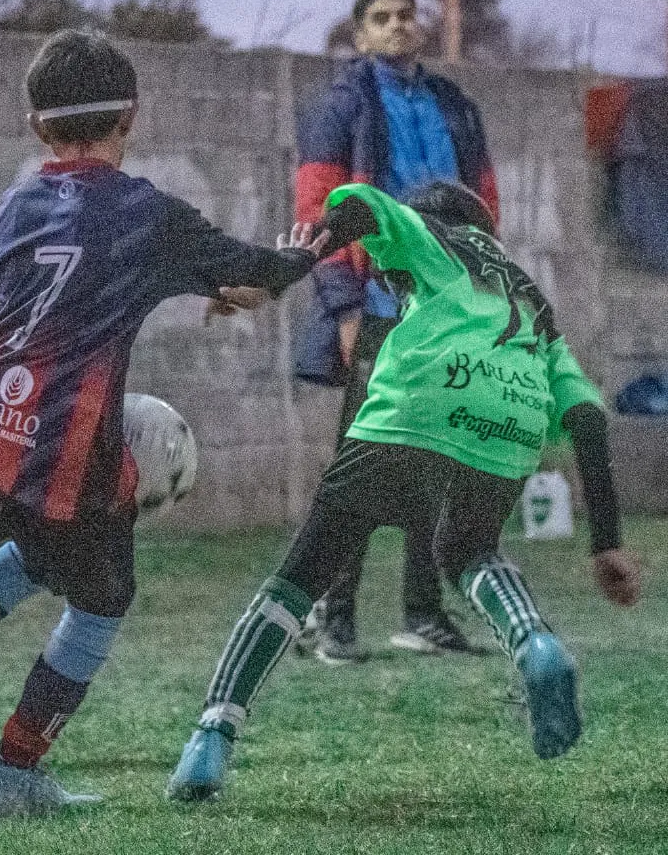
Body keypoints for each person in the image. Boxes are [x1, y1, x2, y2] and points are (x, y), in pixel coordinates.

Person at [0, 28, 327, 819]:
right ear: (128, 118)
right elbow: (253, 270)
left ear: (35, 127)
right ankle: (8, 776)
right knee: (102, 598)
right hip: (69, 448)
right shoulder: (144, 214)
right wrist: (308, 251)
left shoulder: (21, 201)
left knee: (27, 557)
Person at [166, 181, 642, 803]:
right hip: (508, 424)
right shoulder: (530, 299)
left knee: (303, 573)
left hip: (414, 406)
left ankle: (211, 736)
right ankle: (537, 644)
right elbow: (586, 418)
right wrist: (605, 543)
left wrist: (281, 273)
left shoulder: (432, 237)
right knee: (468, 550)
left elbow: (357, 208)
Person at [292, 0, 502, 663]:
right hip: (378, 305)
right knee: (362, 464)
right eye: (381, 19)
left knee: (438, 460)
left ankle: (424, 614)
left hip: (447, 310)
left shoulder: (451, 104)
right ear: (360, 37)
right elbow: (318, 205)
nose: (398, 26)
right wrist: (343, 305)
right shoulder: (344, 103)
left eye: (407, 16)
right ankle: (333, 616)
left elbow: (485, 200)